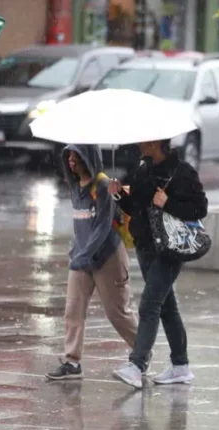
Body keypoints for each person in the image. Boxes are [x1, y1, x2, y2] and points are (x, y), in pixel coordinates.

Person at [108, 140, 208, 389]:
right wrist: (118, 193)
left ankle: (137, 365)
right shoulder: (143, 170)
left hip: (170, 249)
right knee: (166, 308)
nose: (139, 144)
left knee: (150, 305)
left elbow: (200, 208)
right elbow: (135, 207)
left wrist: (169, 203)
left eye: (144, 141)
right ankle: (180, 366)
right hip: (146, 247)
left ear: (155, 142)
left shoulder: (183, 172)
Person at [46, 144, 139, 380]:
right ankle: (71, 361)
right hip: (81, 258)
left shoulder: (103, 185)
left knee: (117, 312)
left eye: (76, 156)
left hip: (108, 258)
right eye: (69, 156)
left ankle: (141, 351)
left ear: (88, 157)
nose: (71, 161)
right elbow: (81, 226)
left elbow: (102, 227)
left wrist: (84, 255)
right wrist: (76, 252)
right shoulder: (75, 188)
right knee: (73, 310)